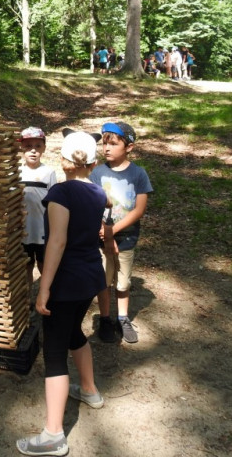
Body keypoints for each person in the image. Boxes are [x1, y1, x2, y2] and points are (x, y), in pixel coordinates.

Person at [16, 130, 113, 457]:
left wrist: (43, 289)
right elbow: (106, 205)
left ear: (63, 160)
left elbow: (56, 242)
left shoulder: (60, 192)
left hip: (67, 281)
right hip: (90, 278)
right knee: (74, 332)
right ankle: (89, 389)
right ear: (94, 163)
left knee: (55, 352)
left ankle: (54, 435)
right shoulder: (98, 192)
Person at [90, 122, 153, 344]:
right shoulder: (97, 173)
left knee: (123, 282)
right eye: (104, 143)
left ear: (129, 147)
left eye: (113, 143)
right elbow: (92, 205)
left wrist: (113, 231)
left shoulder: (138, 174)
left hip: (126, 239)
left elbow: (139, 209)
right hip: (100, 240)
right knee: (104, 281)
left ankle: (122, 318)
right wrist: (104, 234)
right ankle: (105, 319)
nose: (106, 148)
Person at [18, 127, 57, 289]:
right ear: (21, 147)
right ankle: (26, 299)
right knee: (25, 265)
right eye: (28, 146)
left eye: (37, 146)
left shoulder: (49, 172)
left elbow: (54, 201)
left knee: (44, 264)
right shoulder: (17, 172)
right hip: (22, 230)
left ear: (44, 148)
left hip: (42, 229)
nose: (33, 150)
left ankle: (47, 294)